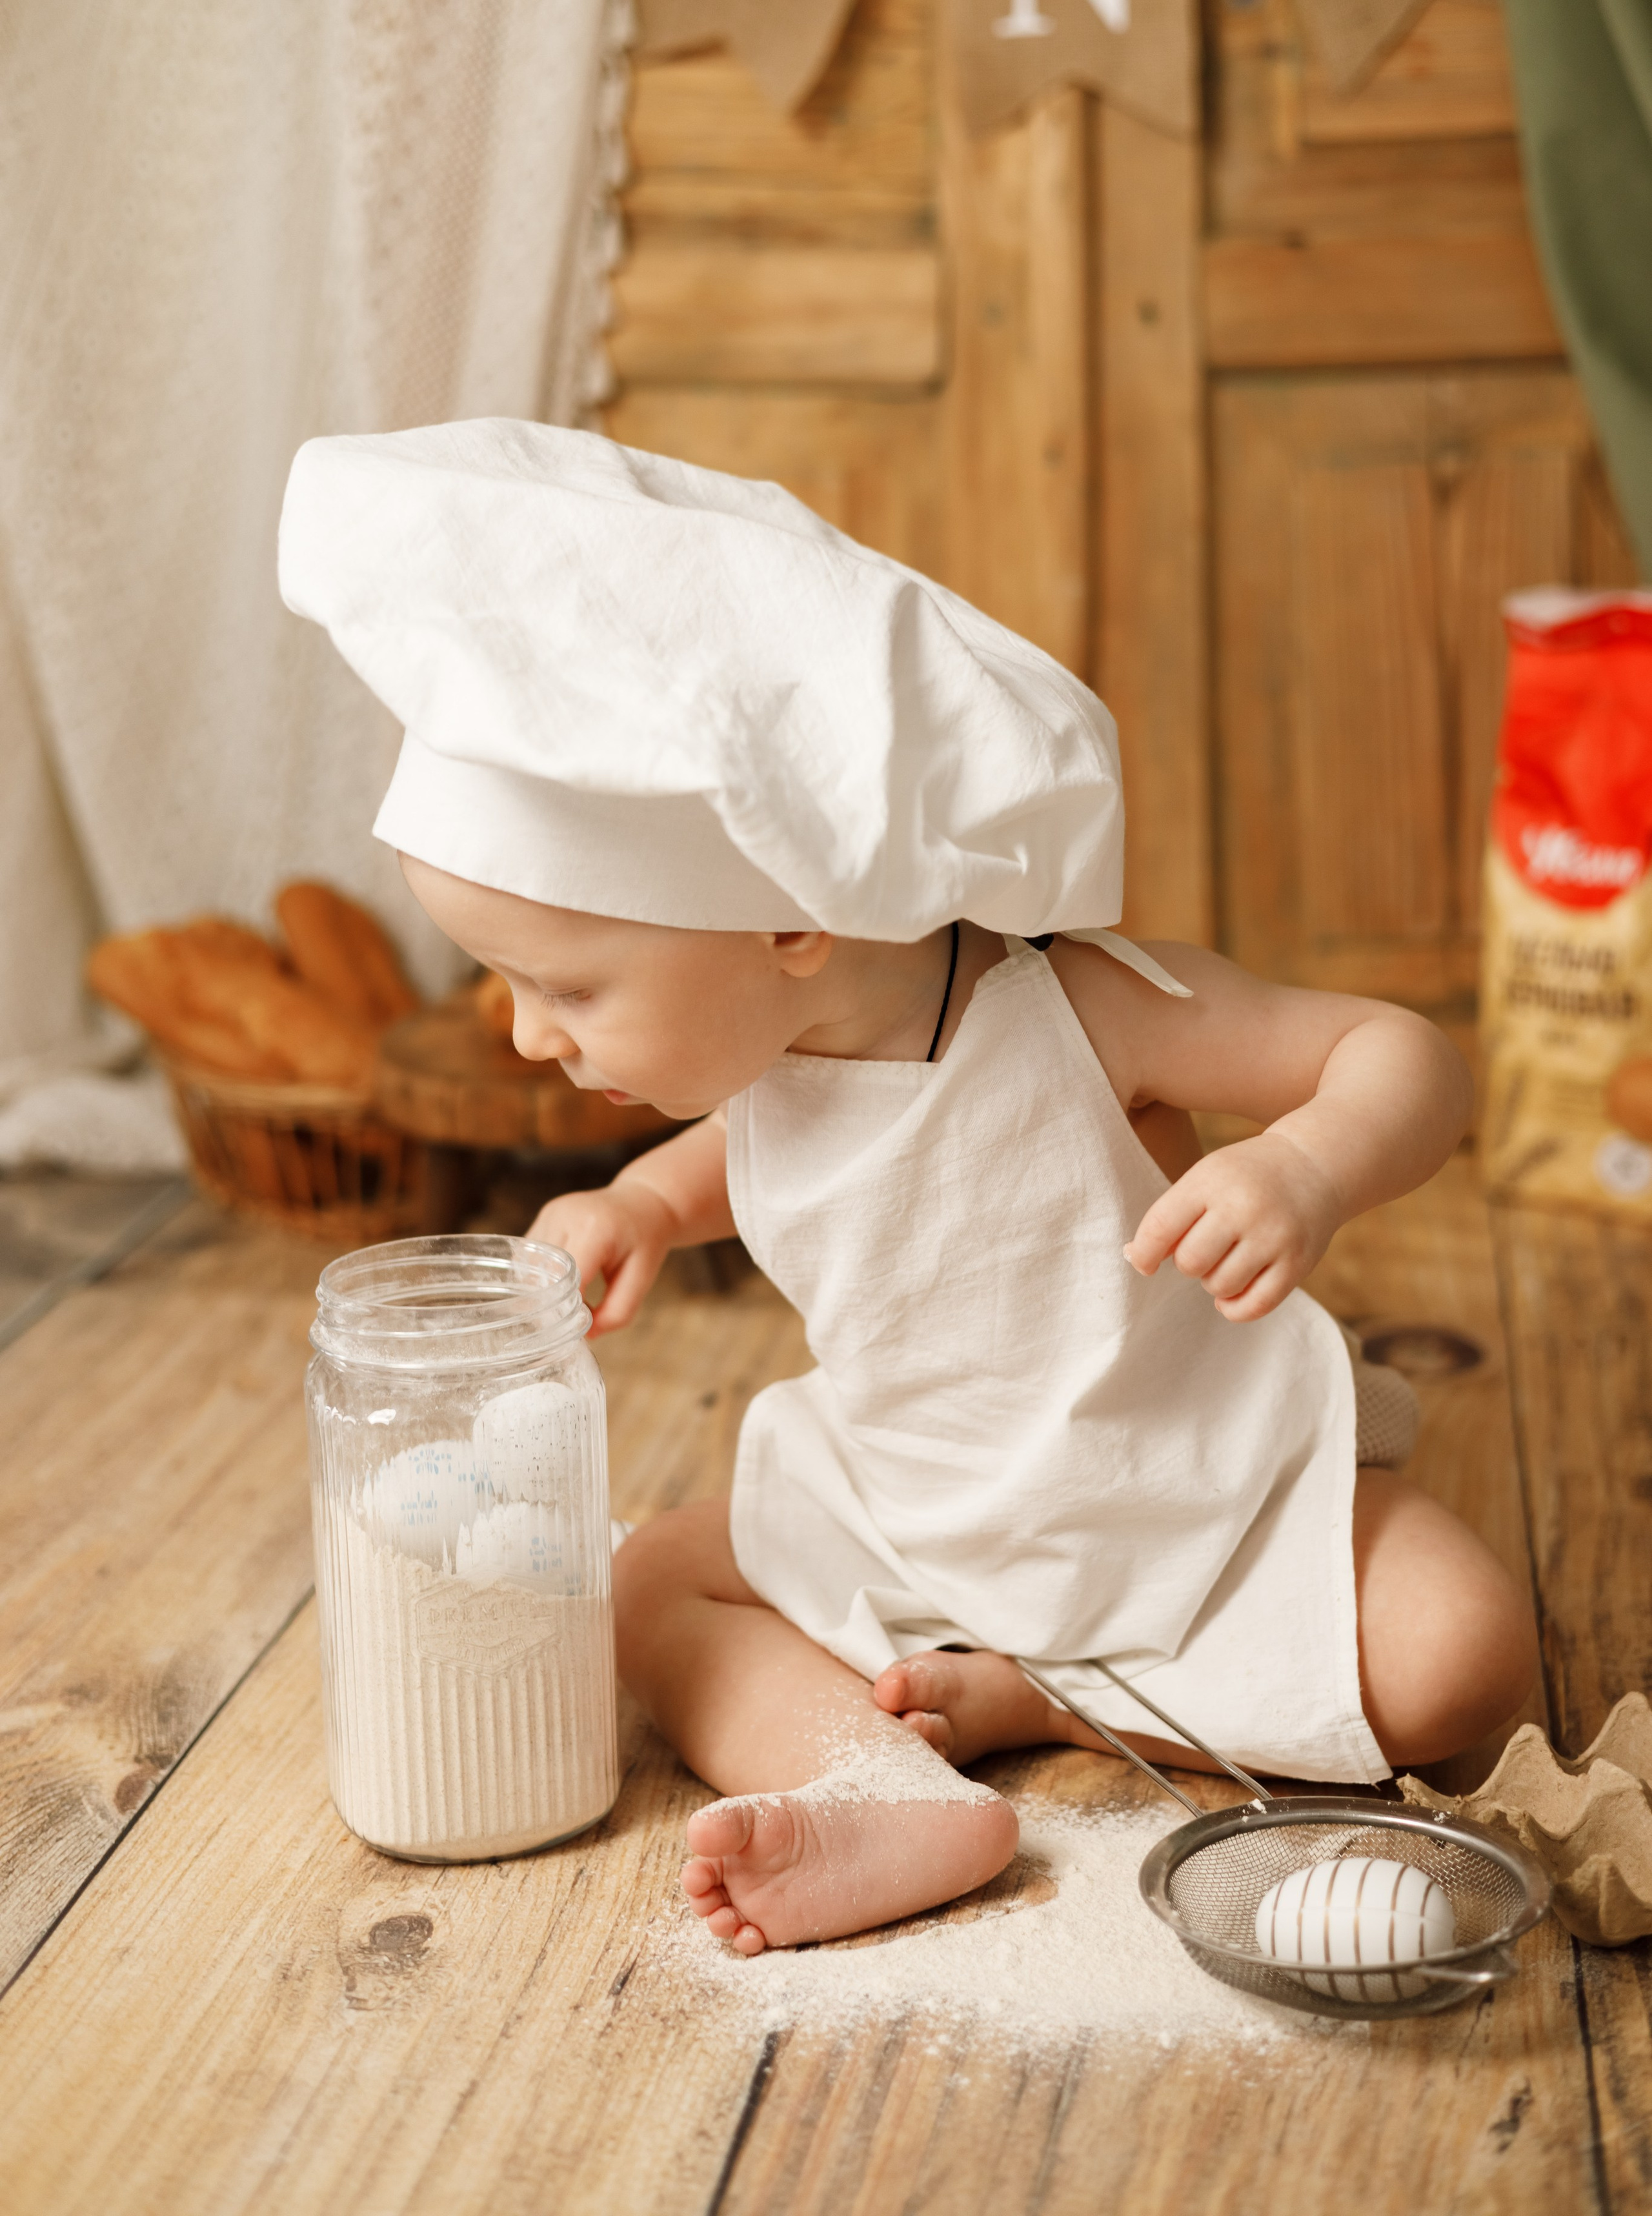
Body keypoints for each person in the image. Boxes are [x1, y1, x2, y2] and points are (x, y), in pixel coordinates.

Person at [281, 418, 1538, 1958]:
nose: (533, 1036)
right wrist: (648, 1207)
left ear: (792, 919)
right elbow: (776, 1148)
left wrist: (1306, 1161)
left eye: (566, 988)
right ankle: (884, 1786)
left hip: (1182, 1500)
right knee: (644, 1585)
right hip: (909, 1502)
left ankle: (1049, 1693)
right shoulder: (769, 1048)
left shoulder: (1081, 1011)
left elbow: (1405, 1059)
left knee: (1463, 1660)